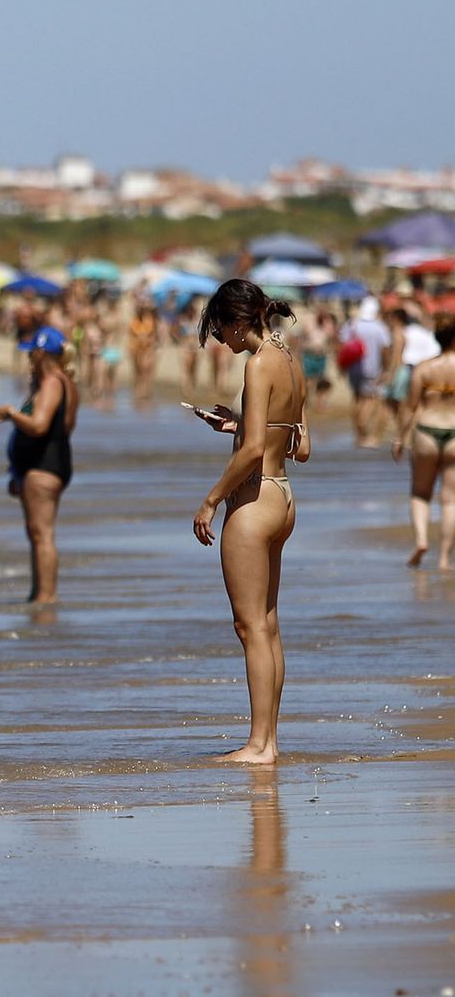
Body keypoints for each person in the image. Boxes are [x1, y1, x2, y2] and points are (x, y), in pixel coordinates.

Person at [190, 279, 309, 765]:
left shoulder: (258, 364)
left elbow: (256, 449)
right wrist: (235, 425)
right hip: (282, 498)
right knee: (267, 626)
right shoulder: (290, 359)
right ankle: (268, 741)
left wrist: (212, 500)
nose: (220, 338)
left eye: (220, 328)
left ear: (240, 321)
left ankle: (259, 746)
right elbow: (299, 446)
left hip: (254, 501)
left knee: (250, 627)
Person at [0, 326, 79, 605]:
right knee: (38, 532)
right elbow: (64, 426)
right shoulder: (62, 382)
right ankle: (38, 594)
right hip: (46, 465)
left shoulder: (53, 382)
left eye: (31, 353)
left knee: (42, 534)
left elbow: (40, 426)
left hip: (44, 467)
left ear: (41, 354)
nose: (28, 358)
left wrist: (11, 414)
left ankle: (45, 598)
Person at [392, 315, 455, 569]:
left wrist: (399, 438)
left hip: (427, 431)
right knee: (450, 499)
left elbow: (410, 407)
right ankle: (444, 558)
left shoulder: (424, 368)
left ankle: (421, 541)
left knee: (420, 493)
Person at [339, 297, 391, 447]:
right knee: (370, 399)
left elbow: (343, 346)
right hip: (372, 369)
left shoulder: (352, 324)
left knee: (356, 399)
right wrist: (386, 370)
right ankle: (364, 429)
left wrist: (342, 367)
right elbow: (385, 350)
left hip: (354, 368)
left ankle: (359, 436)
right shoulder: (379, 327)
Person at [126, 300, 162, 404]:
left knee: (146, 370)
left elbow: (153, 335)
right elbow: (131, 335)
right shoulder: (134, 322)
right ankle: (138, 391)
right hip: (136, 349)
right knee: (137, 371)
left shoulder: (149, 320)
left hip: (147, 349)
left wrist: (148, 341)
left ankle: (145, 391)